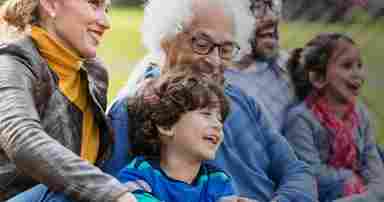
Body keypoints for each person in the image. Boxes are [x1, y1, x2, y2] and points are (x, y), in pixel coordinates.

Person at [106, 0, 317, 201]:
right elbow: (113, 193)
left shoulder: (240, 100)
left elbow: (297, 171)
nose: (214, 60)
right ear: (166, 40)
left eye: (225, 50)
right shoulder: (132, 109)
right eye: (202, 44)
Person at [0, 0, 135, 201]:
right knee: (75, 190)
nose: (106, 22)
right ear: (51, 4)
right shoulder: (11, 63)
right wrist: (113, 193)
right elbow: (21, 137)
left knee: (129, 111)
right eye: (93, 4)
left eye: (106, 9)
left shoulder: (94, 73)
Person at [283, 32, 384, 202]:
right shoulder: (301, 120)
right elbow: (310, 173)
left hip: (361, 191)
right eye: (347, 66)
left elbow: (371, 158)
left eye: (359, 65)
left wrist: (376, 187)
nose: (357, 74)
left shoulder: (360, 114)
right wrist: (351, 181)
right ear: (318, 78)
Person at [118, 71, 239, 202]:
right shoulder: (139, 174)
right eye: (206, 114)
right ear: (166, 125)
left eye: (220, 119)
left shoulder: (219, 181)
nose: (218, 125)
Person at [225, 0, 296, 130]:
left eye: (272, 6)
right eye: (257, 7)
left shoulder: (288, 68)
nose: (272, 18)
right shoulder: (214, 74)